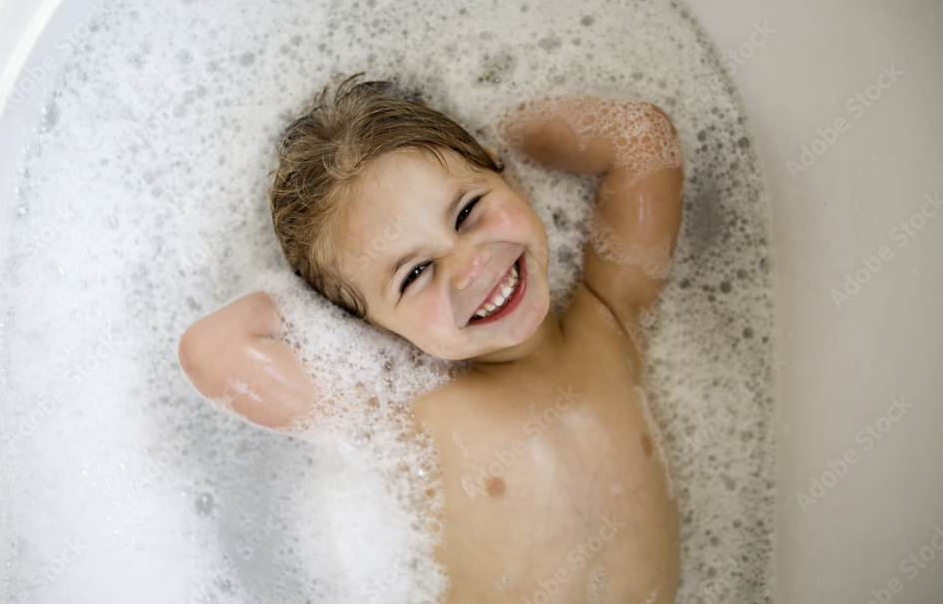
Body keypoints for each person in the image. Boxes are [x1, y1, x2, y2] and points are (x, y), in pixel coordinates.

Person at [178, 75, 686, 603]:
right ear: (370, 328)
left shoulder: (608, 318)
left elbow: (641, 139)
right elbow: (212, 350)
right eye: (415, 273)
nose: (470, 266)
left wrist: (500, 131)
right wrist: (340, 308)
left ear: (505, 175)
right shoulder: (408, 417)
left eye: (468, 212)